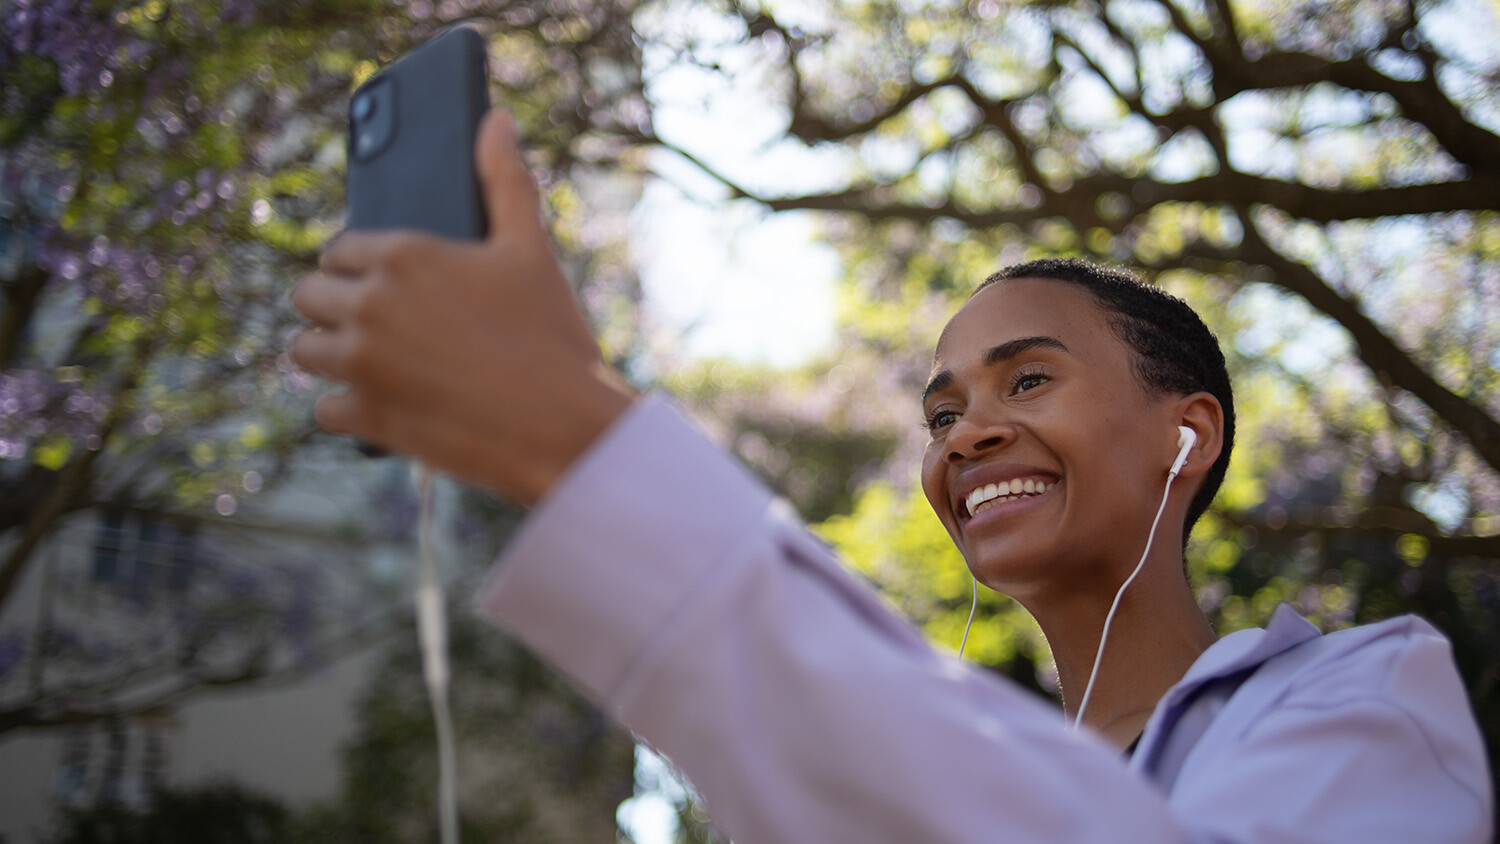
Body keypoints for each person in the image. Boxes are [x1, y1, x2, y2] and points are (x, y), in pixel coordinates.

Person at [291, 109, 1492, 842]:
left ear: (1189, 435)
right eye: (942, 409)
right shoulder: (919, 753)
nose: (965, 436)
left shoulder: (1369, 695)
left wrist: (577, 440)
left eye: (1027, 382)